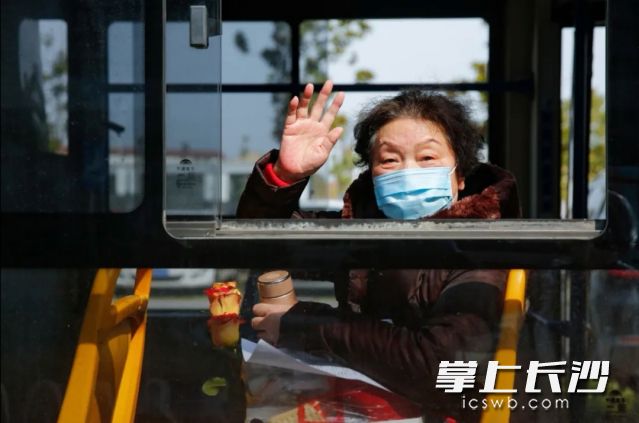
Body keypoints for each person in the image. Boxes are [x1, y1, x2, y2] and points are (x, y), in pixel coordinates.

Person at [240, 80, 521, 420]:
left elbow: (439, 368)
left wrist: (302, 322)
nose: (408, 171)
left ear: (460, 175)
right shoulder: (361, 232)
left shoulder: (484, 248)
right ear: (372, 174)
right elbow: (258, 244)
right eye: (389, 160)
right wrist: (285, 175)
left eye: (427, 157)